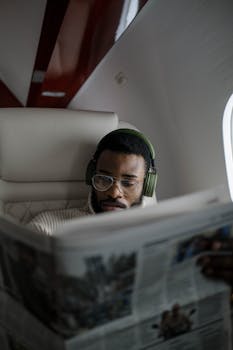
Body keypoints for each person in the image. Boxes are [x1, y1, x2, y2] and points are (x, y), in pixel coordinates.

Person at [29, 128, 157, 235]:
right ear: (91, 176)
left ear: (147, 186)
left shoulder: (158, 231)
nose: (113, 193)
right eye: (104, 179)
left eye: (128, 183)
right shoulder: (46, 228)